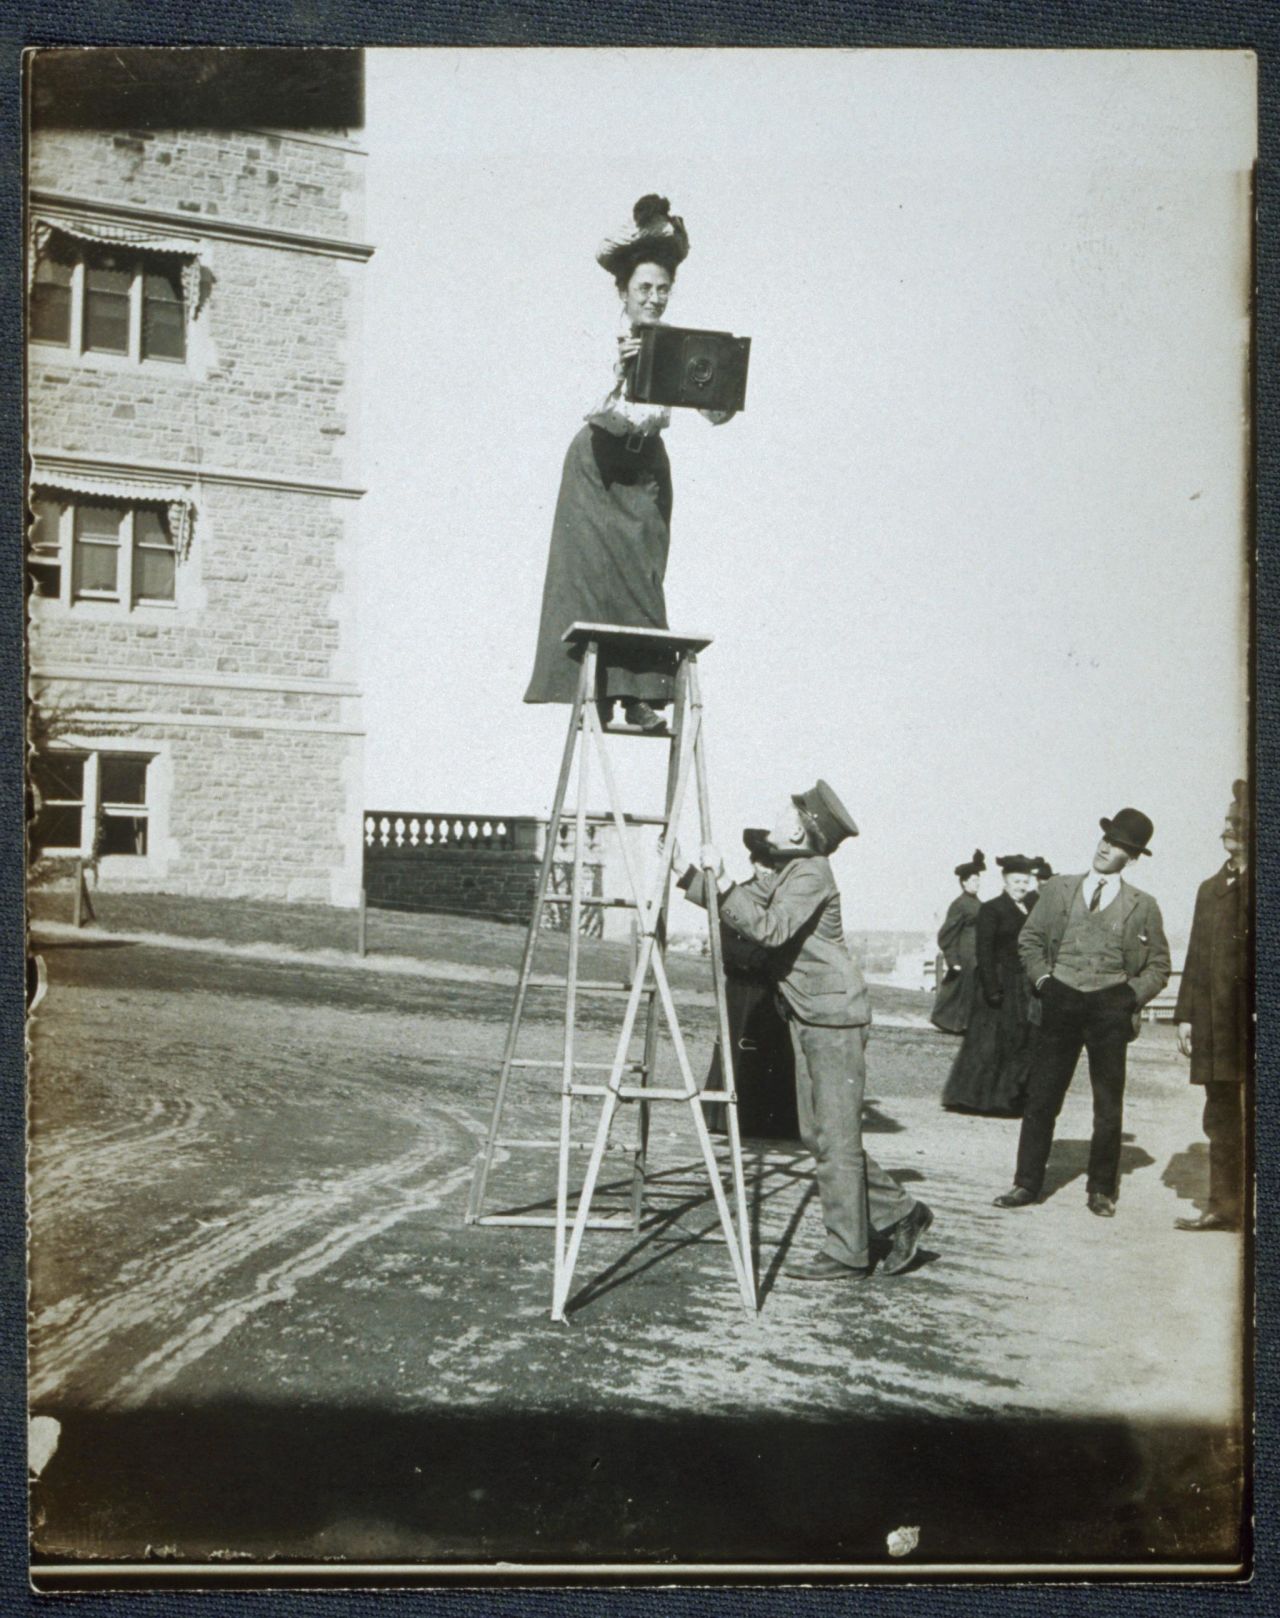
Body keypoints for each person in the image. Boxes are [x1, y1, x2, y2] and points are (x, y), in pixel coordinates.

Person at [678, 780, 932, 1281]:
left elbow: (768, 929)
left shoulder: (812, 872)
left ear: (798, 827)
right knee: (817, 1132)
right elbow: (747, 904)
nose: (775, 817)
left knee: (834, 1137)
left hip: (834, 1017)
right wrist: (688, 873)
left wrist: (724, 881)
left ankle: (847, 1251)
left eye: (784, 812)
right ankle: (901, 1213)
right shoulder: (792, 870)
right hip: (812, 1013)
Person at [523, 194, 735, 731]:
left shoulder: (673, 345)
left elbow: (715, 410)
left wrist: (720, 394)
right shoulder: (600, 335)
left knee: (645, 573)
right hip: (597, 462)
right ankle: (597, 693)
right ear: (623, 291)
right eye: (645, 288)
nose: (655, 298)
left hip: (645, 469)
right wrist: (618, 370)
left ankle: (642, 696)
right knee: (593, 580)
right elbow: (586, 405)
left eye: (663, 289)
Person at [994, 808, 1171, 1217]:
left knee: (1107, 1103)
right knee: (1041, 1096)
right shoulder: (1059, 889)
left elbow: (1159, 966)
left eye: (1118, 845)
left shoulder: (1143, 905)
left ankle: (1101, 1189)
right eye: (1106, 838)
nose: (1105, 847)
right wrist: (1044, 982)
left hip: (1110, 1010)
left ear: (1133, 857)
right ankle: (1026, 1184)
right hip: (1060, 1003)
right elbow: (1030, 940)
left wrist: (1129, 996)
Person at [1173, 780, 1251, 1232]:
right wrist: (1185, 1016)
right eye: (1227, 820)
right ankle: (1224, 1206)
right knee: (1220, 1117)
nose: (1230, 828)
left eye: (1239, 822)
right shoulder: (1210, 889)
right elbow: (1196, 957)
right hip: (1219, 1026)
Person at [701, 829, 799, 1142]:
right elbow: (726, 938)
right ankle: (727, 1116)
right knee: (737, 1044)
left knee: (773, 1050)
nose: (765, 870)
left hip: (772, 988)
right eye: (760, 863)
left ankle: (771, 1119)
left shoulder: (785, 902)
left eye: (772, 865)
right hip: (742, 984)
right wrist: (759, 959)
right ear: (753, 863)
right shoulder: (737, 895)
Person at [941, 854, 1039, 1117]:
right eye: (1017, 881)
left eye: (1025, 882)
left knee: (1018, 1039)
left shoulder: (1029, 909)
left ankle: (1009, 1097)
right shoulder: (992, 909)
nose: (1021, 886)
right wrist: (992, 987)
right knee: (989, 1042)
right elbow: (984, 950)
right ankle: (975, 1098)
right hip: (996, 982)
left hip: (1021, 983)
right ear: (1005, 882)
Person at [930, 851, 985, 1034]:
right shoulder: (959, 904)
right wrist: (953, 960)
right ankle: (952, 1023)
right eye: (973, 881)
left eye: (978, 881)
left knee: (973, 990)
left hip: (977, 953)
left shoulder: (978, 903)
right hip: (965, 954)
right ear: (964, 882)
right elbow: (946, 934)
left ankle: (967, 1024)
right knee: (958, 989)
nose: (977, 884)